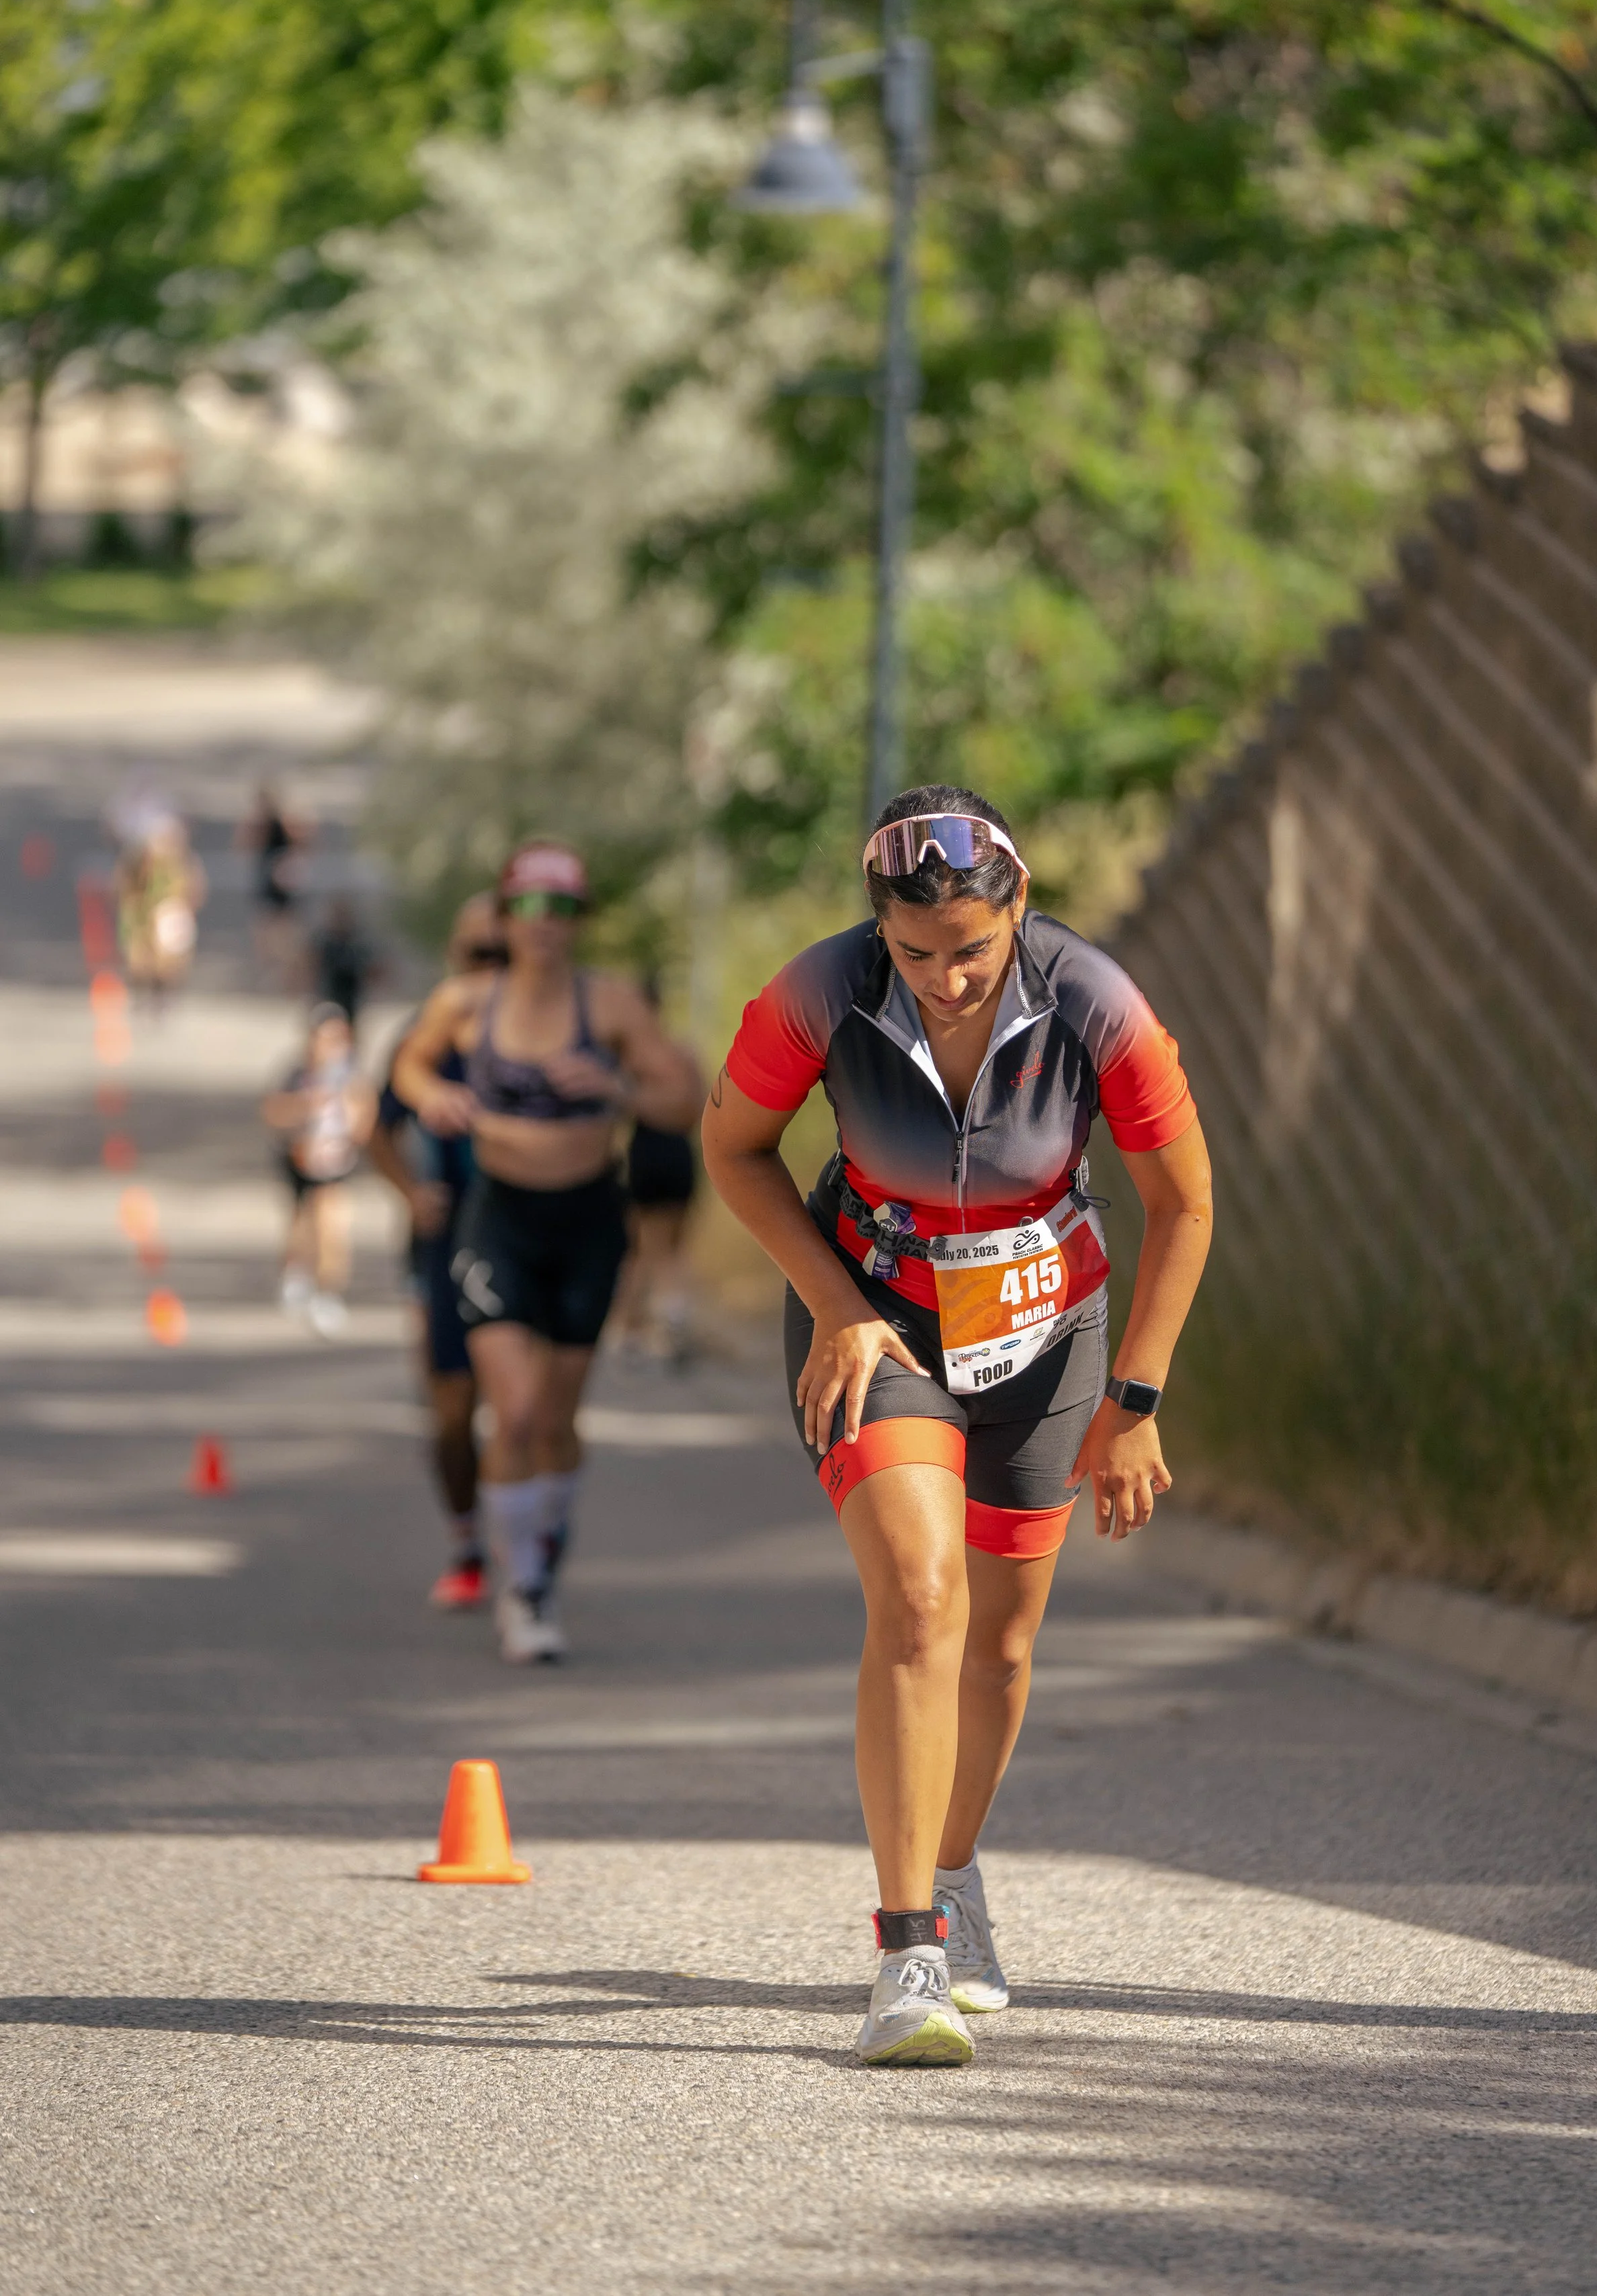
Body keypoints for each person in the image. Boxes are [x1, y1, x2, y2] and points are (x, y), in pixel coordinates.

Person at [702, 788, 1212, 2069]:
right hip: (876, 1317)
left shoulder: (1096, 1000)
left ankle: (957, 1869)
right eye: (917, 953)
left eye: (972, 949)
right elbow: (735, 1147)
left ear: (1019, 907)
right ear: (880, 930)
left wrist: (1135, 1403)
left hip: (1047, 1329)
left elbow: (1186, 1204)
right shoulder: (819, 994)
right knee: (923, 1604)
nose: (946, 977)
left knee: (1002, 1648)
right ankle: (908, 1949)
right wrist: (833, 1307)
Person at [394, 841, 704, 1665]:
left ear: (578, 921)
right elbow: (409, 1067)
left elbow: (683, 1099)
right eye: (528, 907)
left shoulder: (608, 1006)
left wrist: (617, 1091)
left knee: (559, 1418)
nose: (543, 925)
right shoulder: (467, 1001)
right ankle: (524, 1586)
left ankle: (544, 1531)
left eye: (561, 909)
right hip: (498, 1221)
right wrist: (438, 1098)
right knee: (518, 1410)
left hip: (588, 1223)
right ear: (504, 915)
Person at [367, 892, 507, 1610]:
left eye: (501, 953)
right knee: (452, 1410)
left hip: (521, 1237)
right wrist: (409, 1193)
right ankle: (466, 1540)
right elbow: (374, 1127)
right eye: (478, 953)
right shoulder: (424, 1035)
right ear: (456, 956)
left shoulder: (546, 1032)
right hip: (443, 1242)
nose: (490, 967)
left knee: (524, 1408)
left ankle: (531, 1547)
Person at [261, 1001, 376, 1336]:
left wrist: (349, 1123)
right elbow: (272, 1113)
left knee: (332, 1229)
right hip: (297, 1162)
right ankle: (296, 1270)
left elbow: (365, 1121)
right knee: (301, 1224)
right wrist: (303, 1107)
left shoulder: (352, 1078)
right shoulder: (296, 1075)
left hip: (334, 1167)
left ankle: (328, 1293)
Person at [608, 976, 702, 1364]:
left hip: (647, 1154)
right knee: (669, 1247)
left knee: (640, 1248)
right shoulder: (682, 1052)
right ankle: (665, 1320)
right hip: (680, 1153)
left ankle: (637, 1329)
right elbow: (701, 1106)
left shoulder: (628, 1056)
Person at [114, 811, 206, 1004]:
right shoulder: (138, 860)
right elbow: (123, 884)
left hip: (170, 911)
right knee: (139, 960)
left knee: (170, 961)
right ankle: (145, 991)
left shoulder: (183, 860)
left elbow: (195, 886)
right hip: (142, 912)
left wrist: (188, 906)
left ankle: (162, 994)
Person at [239, 780, 311, 983]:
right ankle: (275, 966)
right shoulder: (261, 822)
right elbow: (245, 845)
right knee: (267, 925)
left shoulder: (285, 820)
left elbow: (303, 841)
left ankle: (286, 968)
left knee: (283, 927)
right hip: (270, 876)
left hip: (283, 876)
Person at [313, 895, 380, 1031]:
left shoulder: (357, 942)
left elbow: (372, 969)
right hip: (328, 995)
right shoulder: (324, 941)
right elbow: (312, 964)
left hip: (352, 998)